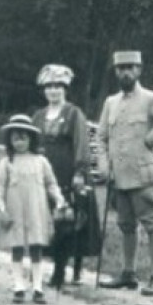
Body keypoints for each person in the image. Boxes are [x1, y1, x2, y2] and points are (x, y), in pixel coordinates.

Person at [97, 49, 153, 297]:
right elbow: (101, 138)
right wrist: (104, 166)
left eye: (130, 68)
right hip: (119, 177)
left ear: (139, 70)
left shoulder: (151, 99)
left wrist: (151, 139)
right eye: (120, 68)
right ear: (116, 72)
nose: (125, 72)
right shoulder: (110, 103)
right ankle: (128, 274)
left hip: (145, 175)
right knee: (126, 225)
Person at [31, 63, 101, 289]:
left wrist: (80, 172)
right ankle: (48, 265)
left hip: (67, 169)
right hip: (43, 170)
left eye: (58, 87)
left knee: (68, 220)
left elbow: (82, 143)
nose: (53, 91)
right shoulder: (39, 116)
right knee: (46, 219)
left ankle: (63, 270)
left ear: (65, 89)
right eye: (49, 87)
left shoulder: (73, 113)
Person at [0, 114, 65, 304]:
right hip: (15, 211)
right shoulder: (6, 162)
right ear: (10, 140)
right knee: (16, 247)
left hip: (36, 210)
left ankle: (38, 287)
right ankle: (18, 286)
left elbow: (51, 184)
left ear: (31, 139)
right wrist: (0, 208)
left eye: (23, 138)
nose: (19, 142)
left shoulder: (41, 161)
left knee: (36, 247)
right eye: (15, 138)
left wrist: (58, 199)